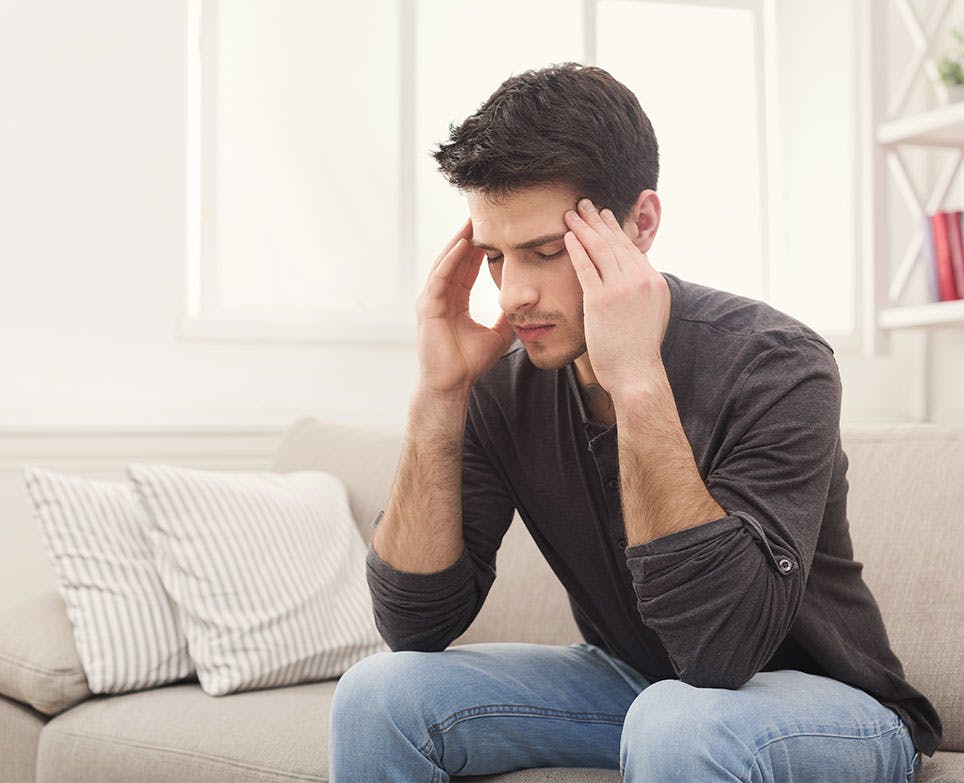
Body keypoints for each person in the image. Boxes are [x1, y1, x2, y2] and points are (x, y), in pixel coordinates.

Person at [328, 62, 940, 782]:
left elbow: (720, 652)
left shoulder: (778, 362)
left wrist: (637, 382)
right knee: (377, 695)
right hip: (639, 684)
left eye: (547, 252)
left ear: (640, 224)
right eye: (495, 256)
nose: (514, 292)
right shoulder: (506, 380)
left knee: (677, 720)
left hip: (835, 706)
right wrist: (440, 398)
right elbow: (415, 626)